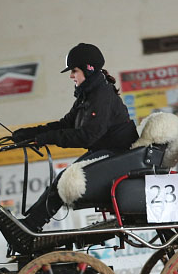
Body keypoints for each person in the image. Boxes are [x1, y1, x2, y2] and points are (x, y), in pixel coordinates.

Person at [10, 43, 138, 232]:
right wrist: (31, 134)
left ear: (89, 69)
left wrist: (46, 138)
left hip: (119, 157)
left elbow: (87, 136)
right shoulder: (88, 96)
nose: (71, 76)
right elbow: (66, 124)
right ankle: (30, 224)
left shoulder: (102, 96)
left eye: (74, 71)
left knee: (65, 179)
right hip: (107, 154)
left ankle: (30, 227)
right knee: (60, 179)